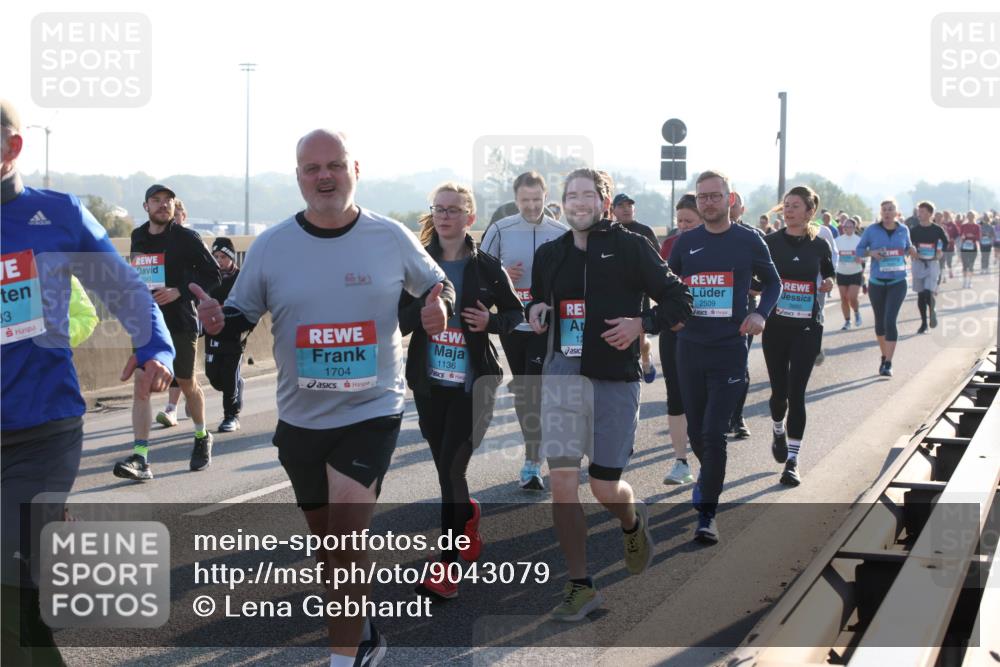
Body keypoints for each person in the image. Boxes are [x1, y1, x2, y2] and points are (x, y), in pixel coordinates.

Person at [195, 129, 453, 666]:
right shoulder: (272, 245)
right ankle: (363, 630)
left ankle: (345, 658)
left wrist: (440, 306)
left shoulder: (390, 236)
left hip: (372, 410)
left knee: (345, 539)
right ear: (298, 177)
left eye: (334, 165)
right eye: (312, 168)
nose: (324, 177)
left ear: (355, 169)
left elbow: (437, 284)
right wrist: (220, 322)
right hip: (301, 419)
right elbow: (240, 312)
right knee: (327, 544)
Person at [1, 98, 174, 667]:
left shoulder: (57, 215)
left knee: (8, 589)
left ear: (12, 147)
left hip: (41, 435)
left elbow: (123, 287)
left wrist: (154, 347)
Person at [526, 168, 691, 621]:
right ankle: (581, 585)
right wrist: (535, 308)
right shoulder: (551, 253)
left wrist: (642, 323)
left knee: (603, 487)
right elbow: (537, 299)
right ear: (563, 202)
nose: (578, 202)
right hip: (563, 377)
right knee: (562, 484)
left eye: (587, 195)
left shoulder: (631, 247)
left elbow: (680, 300)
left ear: (603, 201)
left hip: (615, 380)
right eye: (571, 195)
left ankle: (632, 519)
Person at [401, 183, 523, 600]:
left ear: (470, 217)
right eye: (439, 208)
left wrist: (491, 323)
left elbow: (516, 313)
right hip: (430, 386)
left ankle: (448, 567)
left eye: (454, 209)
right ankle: (467, 513)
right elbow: (398, 319)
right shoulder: (419, 265)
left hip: (475, 385)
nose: (445, 215)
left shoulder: (486, 267)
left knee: (453, 472)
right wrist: (422, 313)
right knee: (445, 472)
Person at [668, 170, 780, 544]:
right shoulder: (686, 243)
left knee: (714, 433)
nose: (708, 202)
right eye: (702, 197)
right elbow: (667, 285)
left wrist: (760, 313)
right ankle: (709, 475)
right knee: (697, 432)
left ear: (729, 199)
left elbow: (774, 283)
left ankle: (707, 513)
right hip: (690, 349)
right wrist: (670, 314)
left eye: (715, 196)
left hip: (729, 349)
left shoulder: (749, 240)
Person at [114, 184, 221, 480]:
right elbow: (139, 276)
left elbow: (213, 274)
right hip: (147, 321)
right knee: (142, 384)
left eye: (168, 201)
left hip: (180, 320)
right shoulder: (138, 236)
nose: (163, 205)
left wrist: (179, 290)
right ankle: (140, 457)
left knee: (186, 382)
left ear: (174, 206)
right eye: (156, 200)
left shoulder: (187, 238)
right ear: (146, 206)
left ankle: (201, 435)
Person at [480, 171, 568, 491]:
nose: (531, 206)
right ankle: (535, 452)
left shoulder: (561, 232)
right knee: (524, 390)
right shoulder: (500, 230)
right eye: (524, 200)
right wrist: (502, 275)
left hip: (545, 324)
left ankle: (532, 461)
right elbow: (480, 272)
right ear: (515, 199)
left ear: (546, 197)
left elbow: (573, 276)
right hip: (512, 324)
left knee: (534, 388)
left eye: (536, 199)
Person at [762, 186, 835, 486]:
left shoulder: (819, 245)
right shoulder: (769, 242)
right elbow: (759, 278)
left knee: (796, 394)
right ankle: (777, 428)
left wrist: (828, 282)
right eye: (786, 205)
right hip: (776, 327)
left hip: (807, 327)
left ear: (809, 211)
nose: (789, 210)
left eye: (795, 206)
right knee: (779, 394)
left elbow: (828, 273)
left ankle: (792, 461)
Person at [659, 194, 702, 485]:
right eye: (680, 221)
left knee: (702, 399)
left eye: (689, 221)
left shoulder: (719, 246)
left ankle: (708, 461)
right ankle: (680, 462)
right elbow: (657, 287)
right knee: (675, 395)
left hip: (706, 334)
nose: (683, 226)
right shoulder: (670, 245)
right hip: (673, 330)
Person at [855, 199, 912, 377]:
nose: (887, 212)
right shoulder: (872, 230)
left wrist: (912, 250)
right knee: (880, 323)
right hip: (877, 283)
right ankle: (884, 355)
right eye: (884, 210)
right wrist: (871, 252)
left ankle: (888, 363)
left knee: (890, 320)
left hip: (898, 281)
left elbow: (908, 247)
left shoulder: (903, 229)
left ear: (896, 212)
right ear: (881, 213)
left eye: (890, 209)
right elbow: (859, 250)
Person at [727, 191, 765, 439]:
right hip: (710, 308)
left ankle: (737, 417)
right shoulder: (704, 234)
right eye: (727, 203)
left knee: (739, 362)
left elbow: (769, 276)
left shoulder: (754, 236)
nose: (730, 209)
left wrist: (752, 287)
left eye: (735, 205)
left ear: (743, 209)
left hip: (744, 308)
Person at [611, 192, 659, 383]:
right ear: (613, 210)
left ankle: (645, 358)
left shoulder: (644, 231)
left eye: (629, 205)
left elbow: (658, 262)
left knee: (640, 341)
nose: (626, 209)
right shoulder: (608, 231)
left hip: (641, 293)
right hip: (616, 293)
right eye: (621, 206)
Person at [204, 237, 251, 432]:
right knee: (214, 377)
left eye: (223, 257)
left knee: (229, 374)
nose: (219, 261)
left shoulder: (242, 278)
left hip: (234, 334)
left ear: (231, 257)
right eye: (215, 257)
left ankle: (231, 416)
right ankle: (238, 385)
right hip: (212, 332)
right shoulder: (209, 277)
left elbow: (251, 304)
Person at [160, 198, 189, 423]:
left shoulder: (192, 241)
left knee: (182, 363)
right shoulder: (157, 241)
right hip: (163, 309)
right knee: (176, 361)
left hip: (188, 310)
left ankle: (176, 404)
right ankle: (179, 402)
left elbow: (209, 275)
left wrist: (180, 290)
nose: (174, 219)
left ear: (183, 217)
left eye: (177, 215)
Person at [908, 201, 949, 334]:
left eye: (923, 212)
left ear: (930, 214)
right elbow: (908, 245)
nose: (919, 214)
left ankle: (932, 311)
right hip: (918, 263)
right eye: (919, 211)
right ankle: (924, 324)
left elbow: (945, 242)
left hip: (932, 263)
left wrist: (940, 252)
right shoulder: (914, 230)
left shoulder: (937, 229)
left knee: (928, 292)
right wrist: (911, 251)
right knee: (921, 295)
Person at [833, 217, 864, 329]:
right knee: (844, 298)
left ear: (855, 228)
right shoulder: (838, 240)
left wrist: (861, 259)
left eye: (850, 227)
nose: (848, 229)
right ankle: (847, 321)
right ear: (843, 228)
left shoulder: (859, 240)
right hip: (841, 272)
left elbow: (865, 255)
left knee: (852, 297)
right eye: (846, 227)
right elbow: (833, 255)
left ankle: (856, 312)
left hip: (855, 272)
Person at [958, 211, 981, 288]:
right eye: (969, 216)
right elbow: (960, 235)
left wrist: (972, 236)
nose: (970, 217)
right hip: (964, 247)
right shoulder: (963, 226)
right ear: (967, 217)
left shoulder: (977, 226)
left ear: (974, 217)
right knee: (965, 265)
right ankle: (964, 281)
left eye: (972, 216)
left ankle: (970, 282)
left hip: (973, 247)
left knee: (971, 265)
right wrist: (963, 236)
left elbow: (978, 237)